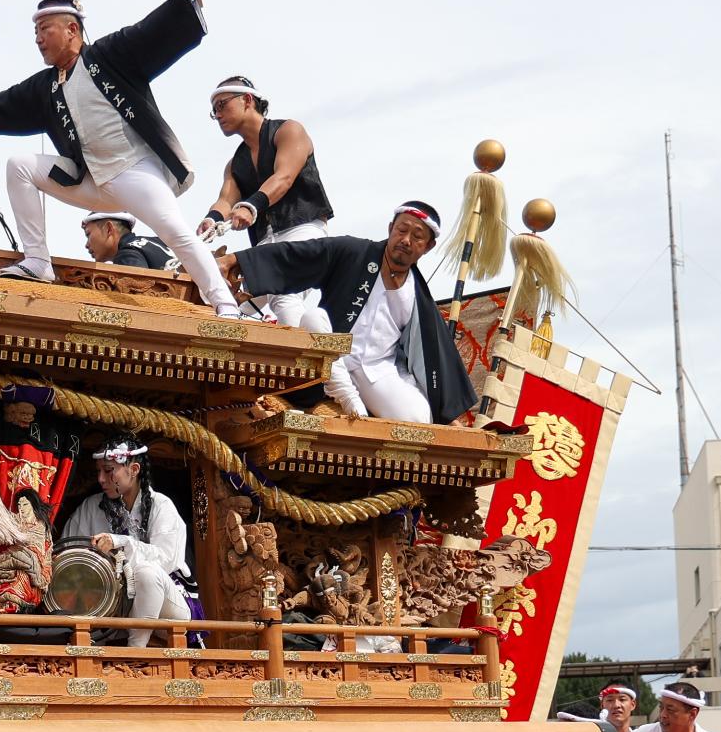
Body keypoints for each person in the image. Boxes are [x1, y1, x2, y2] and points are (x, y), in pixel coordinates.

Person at [0, 0, 240, 312]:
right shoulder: (46, 86)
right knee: (19, 165)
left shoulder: (111, 55)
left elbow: (152, 30)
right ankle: (37, 260)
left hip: (133, 171)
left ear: (71, 29)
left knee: (176, 231)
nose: (37, 38)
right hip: (87, 179)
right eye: (35, 31)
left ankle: (224, 303)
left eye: (44, 29)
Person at [218, 203, 478, 424]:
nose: (406, 240)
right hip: (332, 358)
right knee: (313, 318)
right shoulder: (355, 252)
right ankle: (347, 398)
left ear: (428, 247)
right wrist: (236, 260)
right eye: (401, 230)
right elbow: (298, 254)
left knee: (417, 418)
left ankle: (363, 402)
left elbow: (436, 357)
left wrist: (446, 413)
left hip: (377, 369)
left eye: (417, 236)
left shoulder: (418, 296)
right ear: (390, 229)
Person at [199, 76, 335, 327]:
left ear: (247, 100)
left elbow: (284, 177)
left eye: (222, 105)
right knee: (223, 301)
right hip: (265, 242)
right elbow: (226, 200)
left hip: (302, 229)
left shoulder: (289, 131)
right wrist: (211, 220)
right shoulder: (235, 163)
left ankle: (306, 361)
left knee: (284, 295)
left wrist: (251, 206)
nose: (217, 115)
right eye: (214, 110)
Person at [59, 438, 191, 649]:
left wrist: (120, 543)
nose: (101, 479)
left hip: (165, 608)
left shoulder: (161, 505)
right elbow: (68, 556)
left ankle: (134, 651)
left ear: (134, 469)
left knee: (147, 573)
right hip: (108, 606)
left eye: (109, 470)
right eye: (99, 471)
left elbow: (166, 560)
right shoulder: (91, 508)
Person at [81, 211, 174, 270]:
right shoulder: (160, 241)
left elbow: (137, 295)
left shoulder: (127, 254)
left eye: (88, 234)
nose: (86, 245)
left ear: (108, 229)